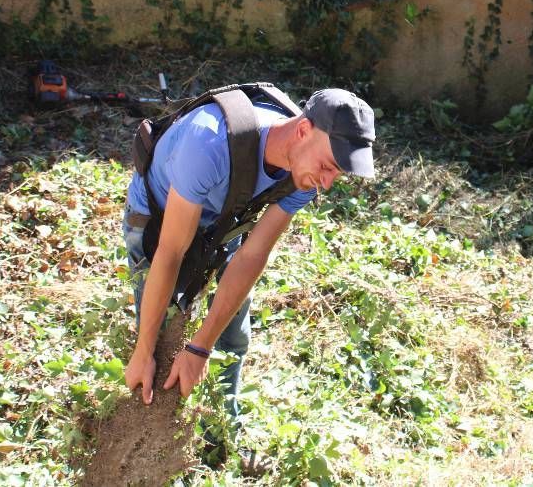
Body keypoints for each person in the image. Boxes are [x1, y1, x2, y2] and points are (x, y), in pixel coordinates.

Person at [121, 88, 376, 415]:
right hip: (159, 214)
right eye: (327, 165)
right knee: (159, 338)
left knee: (232, 334)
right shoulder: (209, 142)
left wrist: (201, 347)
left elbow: (252, 255)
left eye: (336, 174)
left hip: (222, 216)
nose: (325, 184)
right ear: (302, 131)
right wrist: (144, 350)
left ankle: (223, 427)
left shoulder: (304, 174)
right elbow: (170, 251)